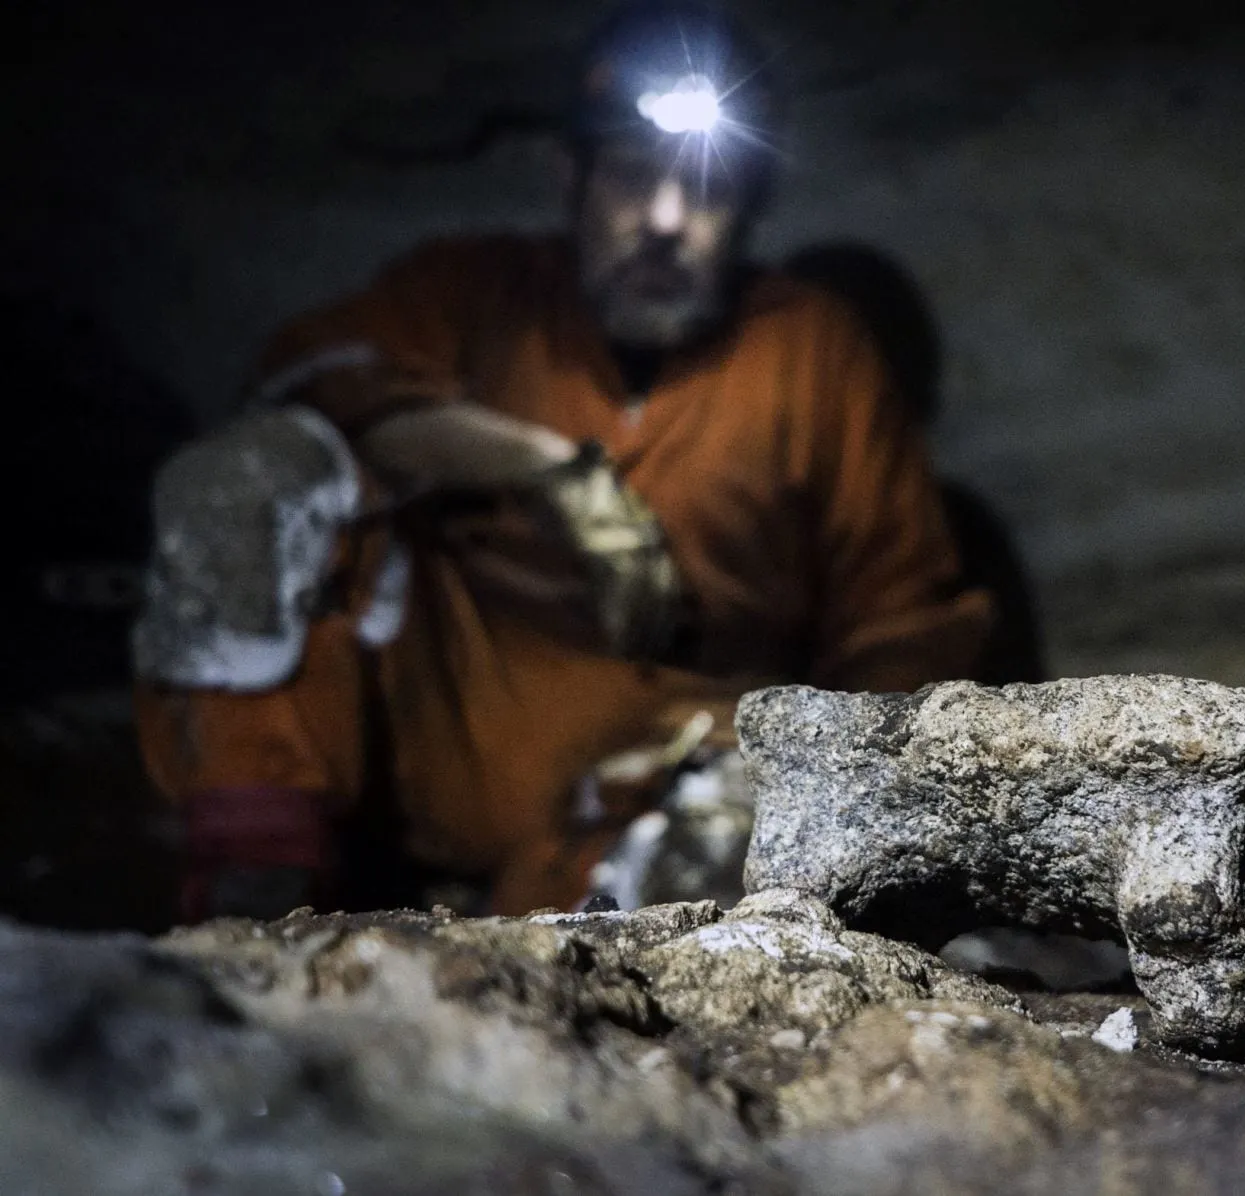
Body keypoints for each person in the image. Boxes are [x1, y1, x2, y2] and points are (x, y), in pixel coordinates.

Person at [132, 1, 993, 921]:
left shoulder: (810, 349)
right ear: (569, 177)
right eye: (630, 176)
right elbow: (308, 380)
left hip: (671, 781)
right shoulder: (478, 294)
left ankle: (599, 960)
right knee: (255, 473)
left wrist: (784, 760)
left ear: (749, 207)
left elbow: (902, 624)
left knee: (718, 862)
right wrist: (546, 471)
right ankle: (253, 881)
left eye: (704, 188)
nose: (664, 219)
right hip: (429, 749)